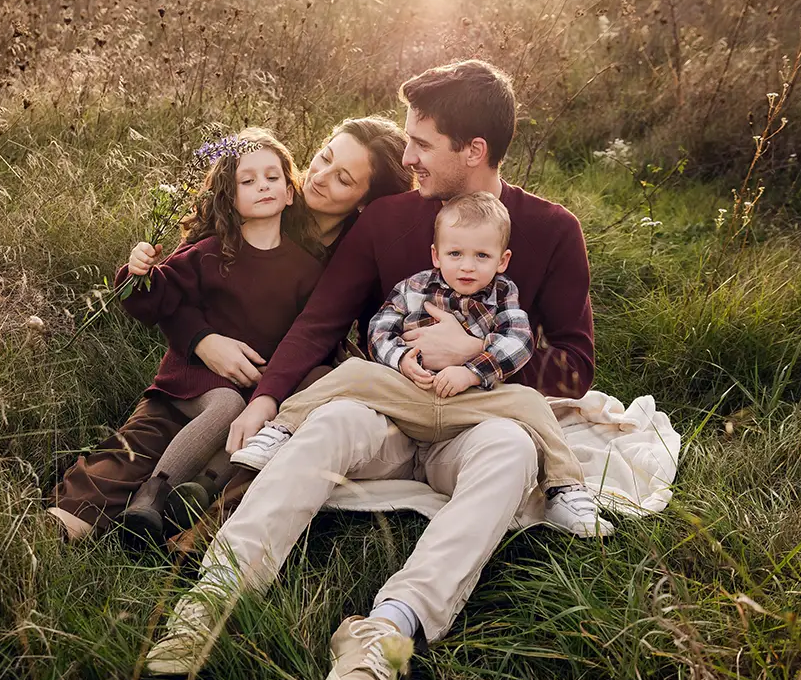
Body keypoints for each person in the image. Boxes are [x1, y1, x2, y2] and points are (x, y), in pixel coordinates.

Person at [143, 60, 599, 680]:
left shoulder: (553, 230)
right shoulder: (385, 220)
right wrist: (270, 397)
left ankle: (386, 633)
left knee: (513, 450)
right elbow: (321, 321)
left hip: (478, 423)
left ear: (474, 150)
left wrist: (474, 355)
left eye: (422, 143)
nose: (406, 156)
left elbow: (576, 367)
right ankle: (209, 602)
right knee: (330, 420)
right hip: (387, 411)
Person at [47, 118, 412, 540]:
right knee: (147, 439)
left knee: (260, 452)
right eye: (324, 157)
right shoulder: (264, 195)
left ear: (366, 201)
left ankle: (195, 533)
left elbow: (360, 330)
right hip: (203, 376)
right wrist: (202, 340)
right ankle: (66, 523)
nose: (319, 177)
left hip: (283, 390)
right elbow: (179, 284)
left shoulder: (359, 251)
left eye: (343, 179)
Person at [229, 190, 613, 539]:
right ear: (436, 255)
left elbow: (519, 341)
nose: (467, 266)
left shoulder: (503, 295)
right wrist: (402, 360)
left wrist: (472, 369)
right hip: (407, 391)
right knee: (351, 373)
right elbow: (380, 329)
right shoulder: (414, 288)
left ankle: (564, 488)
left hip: (472, 400)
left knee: (531, 403)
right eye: (455, 254)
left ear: (502, 260)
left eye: (481, 256)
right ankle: (282, 428)